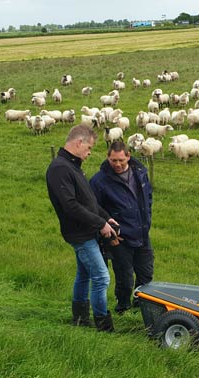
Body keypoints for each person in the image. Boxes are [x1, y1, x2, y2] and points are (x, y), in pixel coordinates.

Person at [46, 124, 119, 332]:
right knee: (101, 277)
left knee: (84, 274)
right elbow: (70, 206)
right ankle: (103, 325)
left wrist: (106, 218)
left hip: (85, 229)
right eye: (89, 148)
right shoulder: (60, 169)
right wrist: (100, 224)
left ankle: (80, 319)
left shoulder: (72, 166)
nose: (89, 153)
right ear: (79, 143)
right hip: (79, 232)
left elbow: (88, 201)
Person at [90, 141, 153, 315]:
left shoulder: (140, 173)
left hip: (141, 232)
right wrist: (109, 235)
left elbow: (148, 198)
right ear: (108, 158)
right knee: (124, 277)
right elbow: (93, 208)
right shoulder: (99, 181)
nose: (117, 164)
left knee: (146, 272)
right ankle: (123, 307)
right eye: (113, 160)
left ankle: (142, 306)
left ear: (128, 156)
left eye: (121, 161)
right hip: (120, 238)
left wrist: (146, 222)